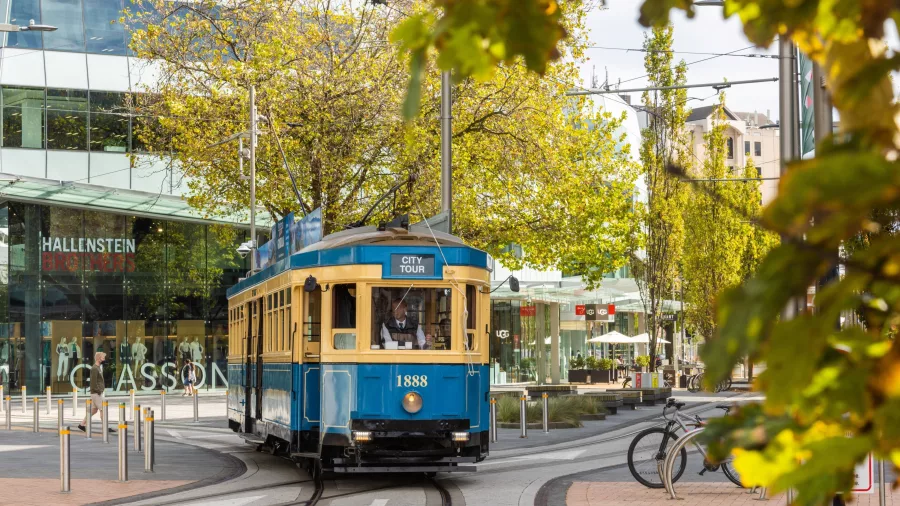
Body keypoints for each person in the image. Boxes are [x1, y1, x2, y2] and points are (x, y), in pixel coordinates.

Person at [79, 352, 112, 433]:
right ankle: (105, 428)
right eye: (103, 358)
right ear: (98, 358)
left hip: (96, 392)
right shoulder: (94, 368)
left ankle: (82, 425)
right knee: (103, 409)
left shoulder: (98, 367)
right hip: (96, 393)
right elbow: (93, 382)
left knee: (93, 410)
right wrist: (99, 391)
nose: (104, 359)